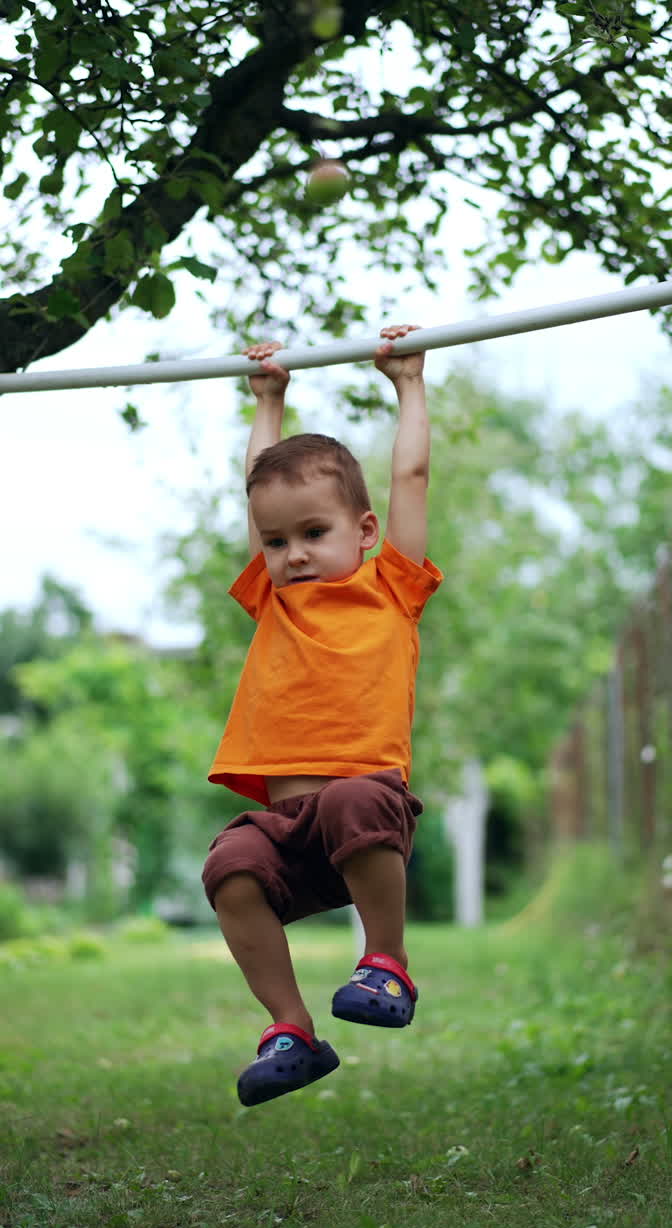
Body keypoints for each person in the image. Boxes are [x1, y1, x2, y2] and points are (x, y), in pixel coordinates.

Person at [202, 324, 443, 1106]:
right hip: (290, 832)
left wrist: (408, 384)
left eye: (315, 533)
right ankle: (291, 1030)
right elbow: (256, 486)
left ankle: (387, 964)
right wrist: (267, 402)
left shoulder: (391, 590)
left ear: (364, 534)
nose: (294, 553)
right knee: (229, 862)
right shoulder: (272, 596)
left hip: (362, 815)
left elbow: (411, 474)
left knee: (351, 794)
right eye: (278, 541)